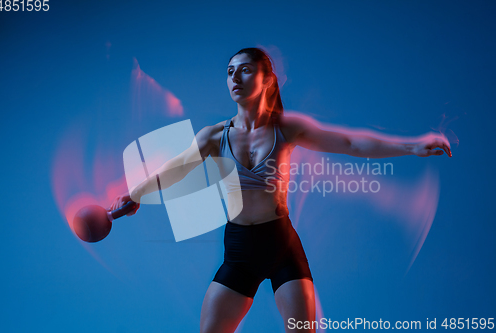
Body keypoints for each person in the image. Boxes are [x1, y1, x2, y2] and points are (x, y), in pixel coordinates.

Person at [110, 47, 452, 333]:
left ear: (267, 79)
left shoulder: (287, 128)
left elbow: (352, 143)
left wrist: (413, 146)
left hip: (281, 247)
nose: (234, 78)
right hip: (239, 250)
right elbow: (176, 169)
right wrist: (136, 194)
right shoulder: (214, 136)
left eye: (245, 70)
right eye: (229, 72)